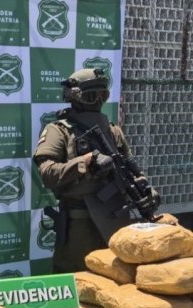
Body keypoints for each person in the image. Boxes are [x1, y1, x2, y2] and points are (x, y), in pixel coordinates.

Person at [33, 68, 160, 273]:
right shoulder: (59, 131)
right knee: (77, 280)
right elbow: (47, 174)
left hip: (116, 220)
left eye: (103, 95)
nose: (98, 101)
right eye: (92, 95)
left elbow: (129, 167)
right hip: (80, 226)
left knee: (117, 278)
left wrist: (144, 188)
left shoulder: (112, 131)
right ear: (74, 96)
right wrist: (86, 161)